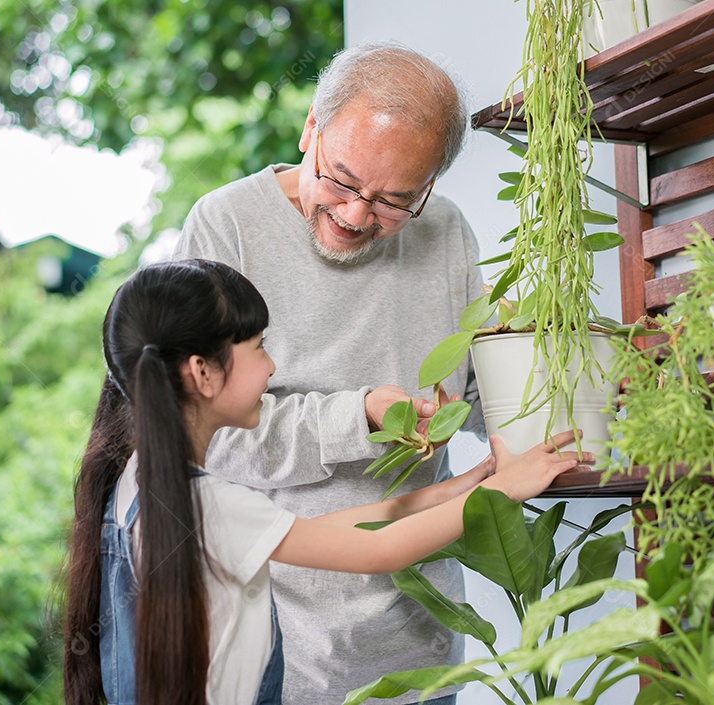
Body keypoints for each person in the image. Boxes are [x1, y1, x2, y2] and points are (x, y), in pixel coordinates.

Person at [61, 259, 587, 705]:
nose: (271, 368)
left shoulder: (140, 486)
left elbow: (330, 530)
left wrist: (459, 488)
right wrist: (504, 491)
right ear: (203, 373)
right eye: (259, 347)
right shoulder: (208, 506)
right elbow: (375, 553)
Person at [172, 42, 486, 703]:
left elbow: (478, 397)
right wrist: (360, 415)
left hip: (422, 653)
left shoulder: (448, 234)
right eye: (341, 180)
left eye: (394, 200)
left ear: (430, 186)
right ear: (310, 128)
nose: (354, 215)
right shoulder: (226, 226)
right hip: (276, 649)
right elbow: (209, 437)